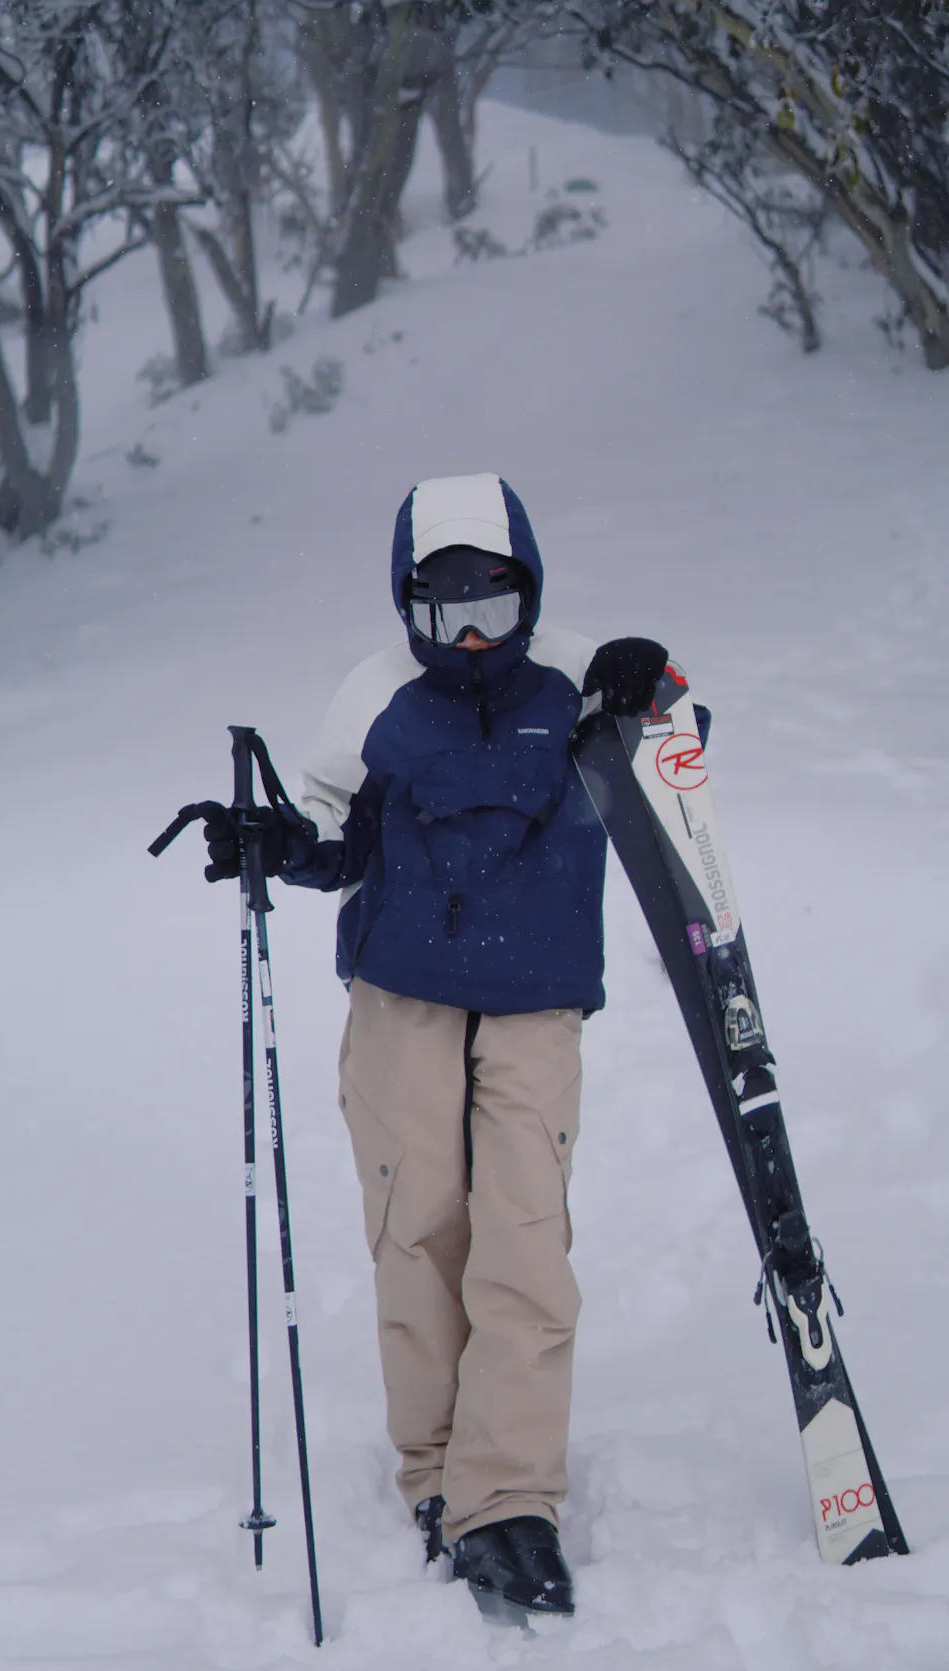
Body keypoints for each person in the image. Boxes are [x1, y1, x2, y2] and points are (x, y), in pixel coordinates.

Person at [203, 473, 671, 1619]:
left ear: (529, 592)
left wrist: (650, 678)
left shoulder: (574, 674)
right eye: (444, 609)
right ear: (407, 603)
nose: (469, 636)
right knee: (417, 1233)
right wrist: (271, 840)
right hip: (402, 1001)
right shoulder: (378, 695)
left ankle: (505, 1501)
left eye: (492, 606)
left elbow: (677, 742)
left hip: (535, 1002)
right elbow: (329, 828)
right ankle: (435, 1473)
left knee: (523, 1241)